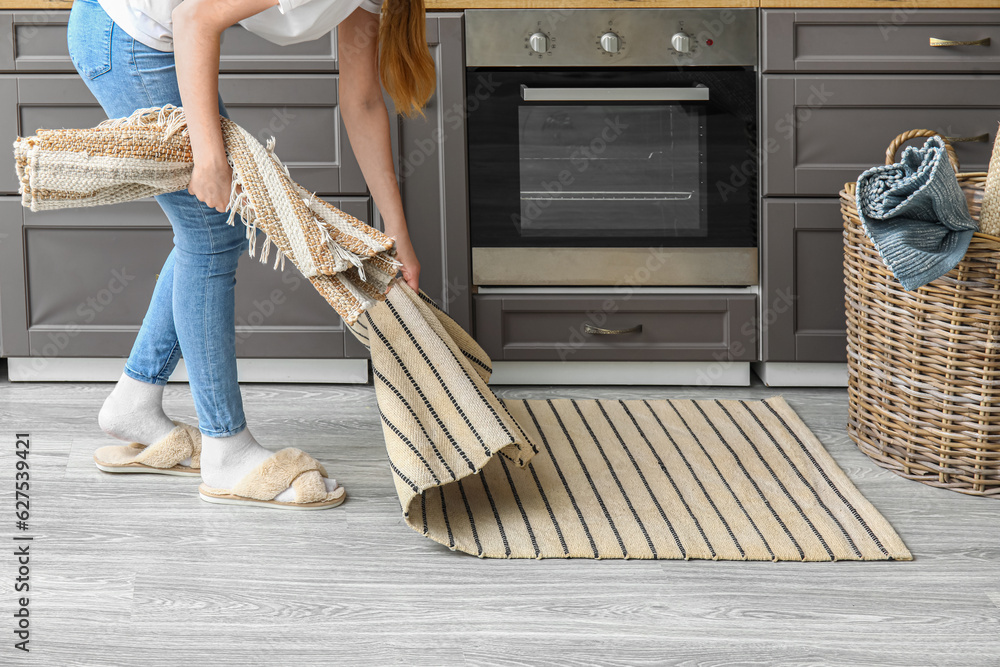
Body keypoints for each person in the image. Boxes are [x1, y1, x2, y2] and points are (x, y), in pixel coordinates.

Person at [69, 0, 431, 509]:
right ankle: (225, 449)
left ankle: (134, 402)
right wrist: (211, 158)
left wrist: (397, 232)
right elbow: (195, 17)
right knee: (211, 234)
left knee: (213, 234)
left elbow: (364, 100)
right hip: (127, 37)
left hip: (160, 39)